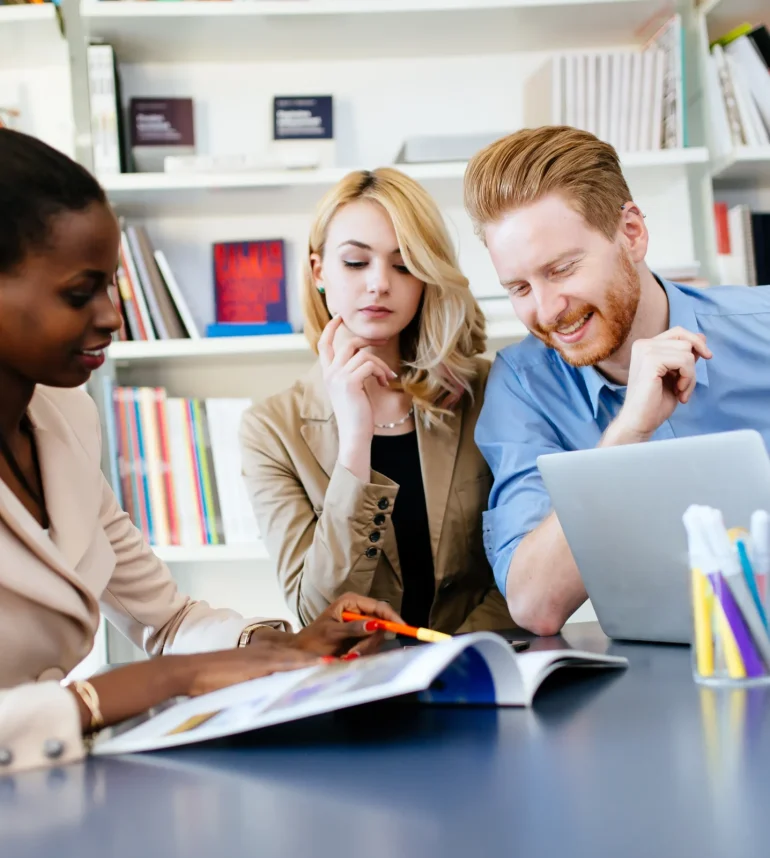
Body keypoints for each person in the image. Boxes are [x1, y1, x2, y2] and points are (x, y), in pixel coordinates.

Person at [0, 129, 403, 777]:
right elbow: (166, 664)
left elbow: (167, 618)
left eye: (112, 287)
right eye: (79, 293)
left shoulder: (67, 420)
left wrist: (281, 644)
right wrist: (163, 680)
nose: (111, 317)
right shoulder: (272, 426)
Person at [464, 125, 770, 636]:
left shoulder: (762, 328)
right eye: (519, 287)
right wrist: (627, 435)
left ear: (631, 233)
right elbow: (534, 603)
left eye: (562, 269)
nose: (546, 311)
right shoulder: (523, 386)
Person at [240, 168, 510, 634]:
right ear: (319, 271)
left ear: (427, 277)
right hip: (358, 673)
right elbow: (317, 613)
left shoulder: (487, 391)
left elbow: (518, 571)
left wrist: (454, 656)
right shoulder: (271, 430)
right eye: (355, 262)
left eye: (404, 265)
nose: (380, 283)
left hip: (483, 660)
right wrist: (355, 441)